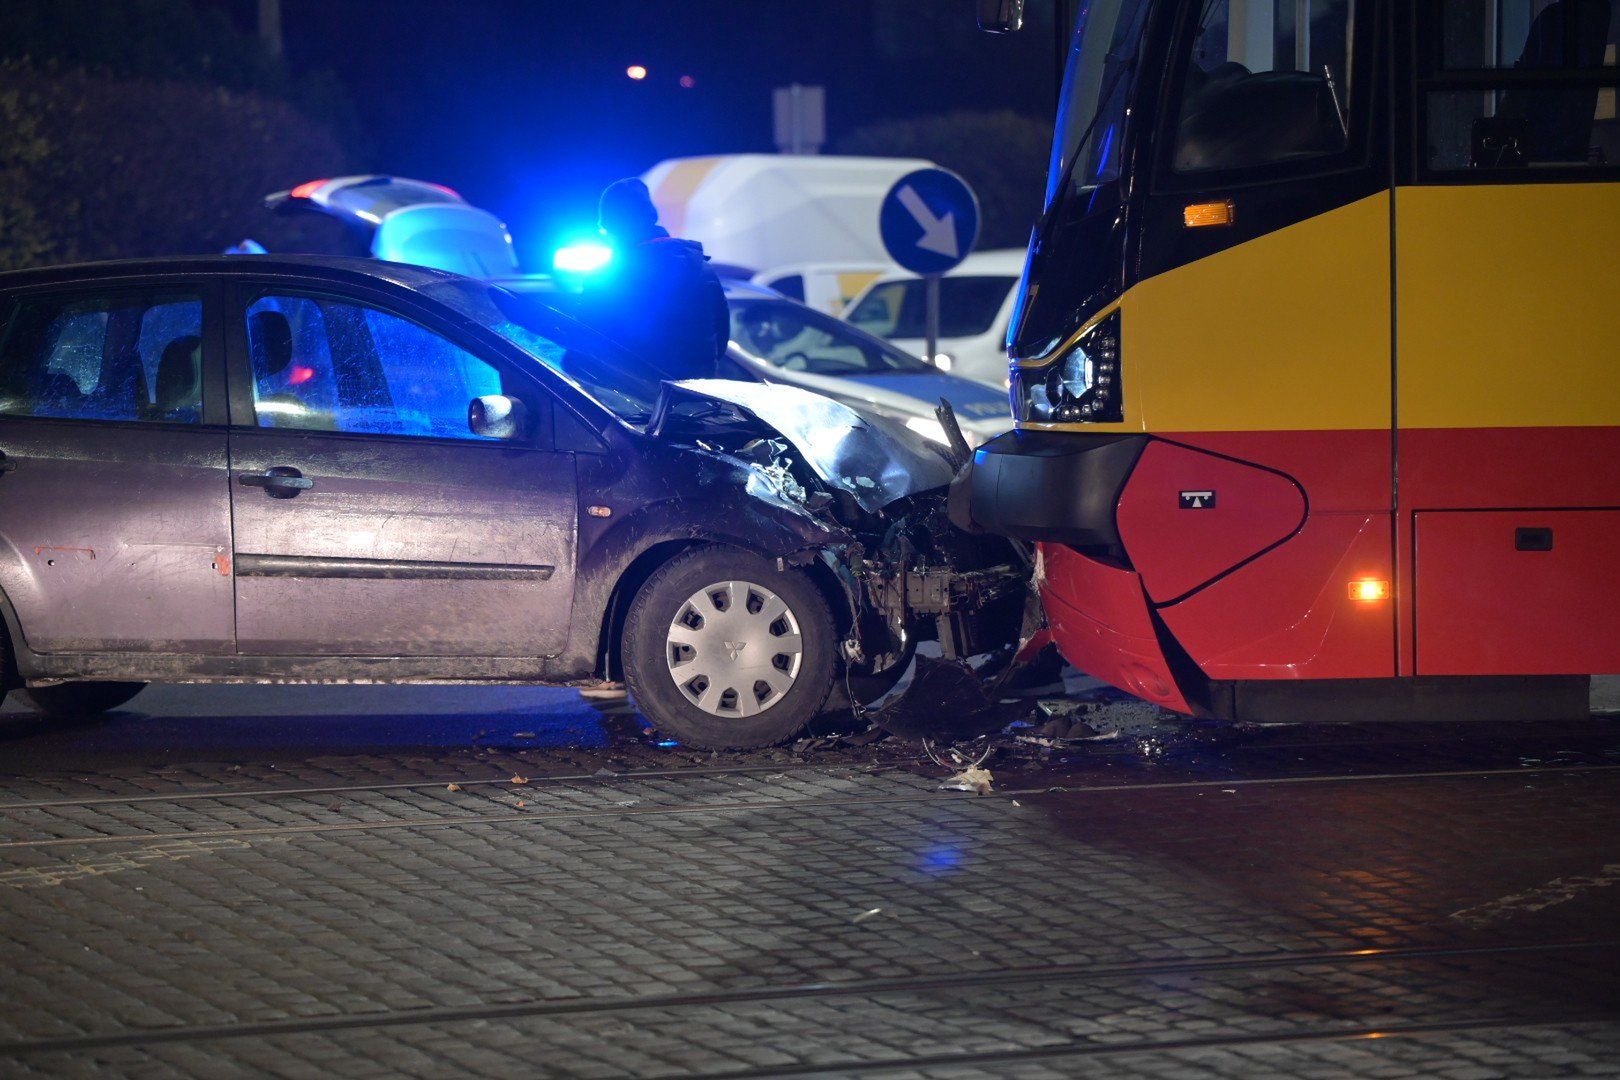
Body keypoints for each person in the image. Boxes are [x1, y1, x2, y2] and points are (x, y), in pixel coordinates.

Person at [577, 178, 731, 381]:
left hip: (635, 404)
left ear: (617, 228)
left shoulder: (606, 279)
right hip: (698, 402)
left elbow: (587, 344)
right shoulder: (701, 269)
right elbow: (721, 338)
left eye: (605, 229)